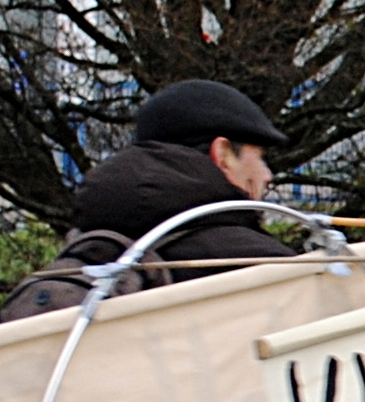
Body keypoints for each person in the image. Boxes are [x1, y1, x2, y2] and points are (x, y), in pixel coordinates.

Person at [69, 80, 299, 264]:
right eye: (260, 157)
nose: (267, 175)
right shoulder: (262, 263)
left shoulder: (81, 253)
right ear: (223, 154)